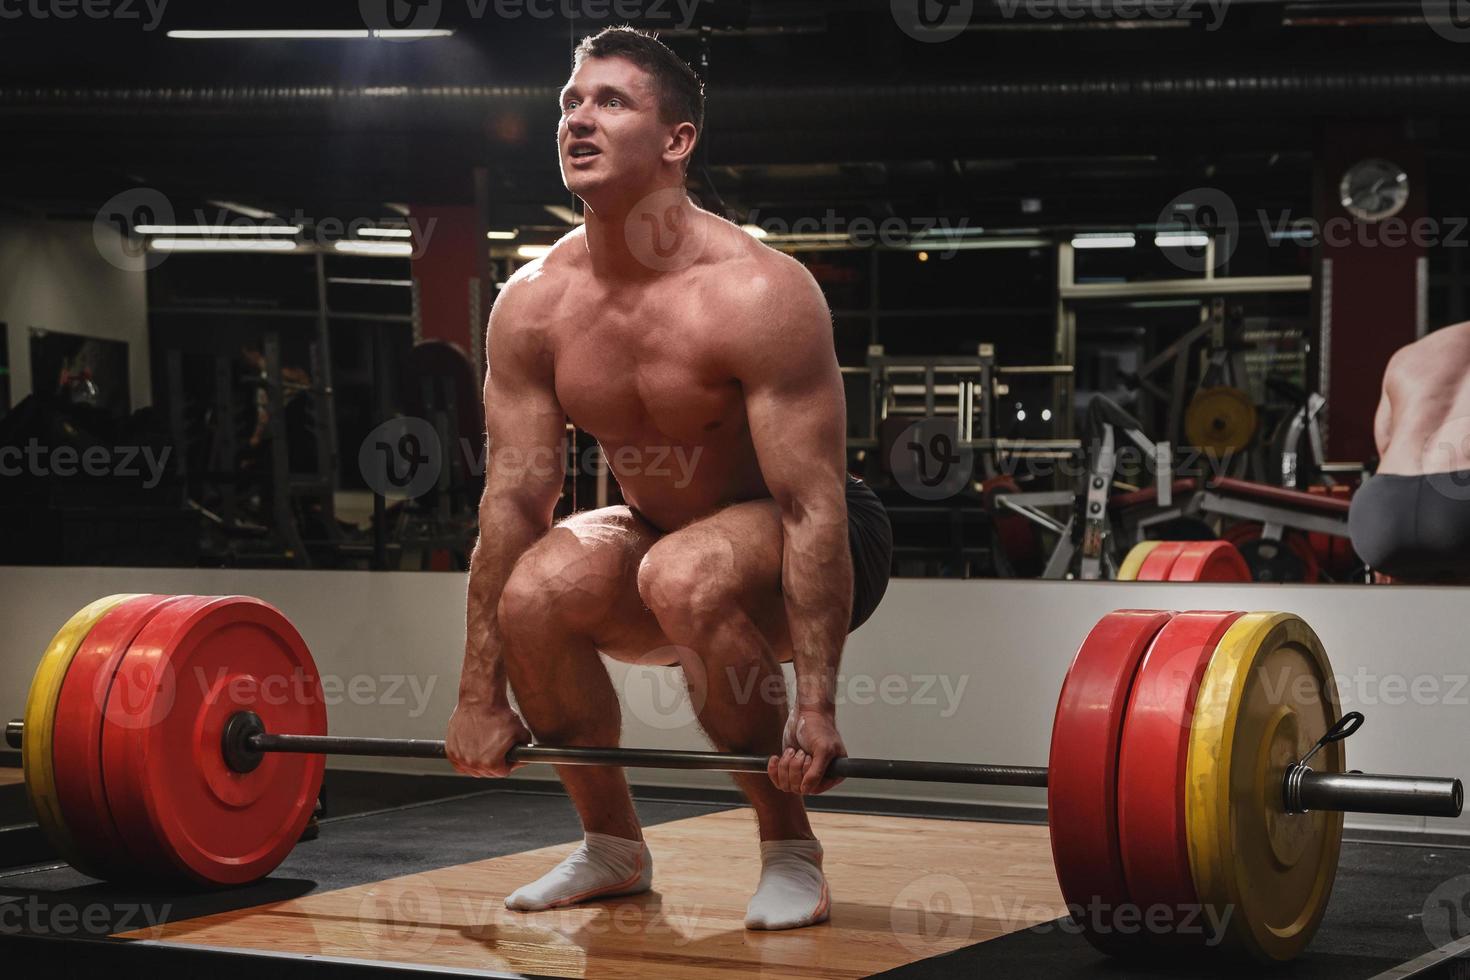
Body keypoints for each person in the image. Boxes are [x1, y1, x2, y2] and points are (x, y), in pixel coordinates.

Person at [444, 26, 892, 931]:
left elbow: (812, 505)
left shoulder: (757, 293)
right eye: (571, 101)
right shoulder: (534, 305)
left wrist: (817, 704)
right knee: (536, 592)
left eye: (611, 102)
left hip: (814, 532)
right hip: (659, 533)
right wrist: (478, 694)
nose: (579, 118)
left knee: (682, 574)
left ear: (677, 140)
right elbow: (514, 503)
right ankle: (611, 847)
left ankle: (790, 847)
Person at [1349, 320, 1470, 582]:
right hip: (1461, 498)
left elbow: (1385, 444)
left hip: (1385, 505)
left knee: (1409, 615)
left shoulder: (1411, 354)